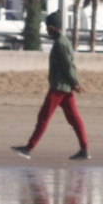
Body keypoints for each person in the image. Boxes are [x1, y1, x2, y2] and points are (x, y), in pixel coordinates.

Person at [11, 11, 89, 160]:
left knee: (43, 118)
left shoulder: (61, 43)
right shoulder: (61, 41)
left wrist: (76, 84)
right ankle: (84, 150)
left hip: (59, 88)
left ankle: (28, 149)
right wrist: (73, 84)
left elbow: (68, 66)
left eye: (48, 26)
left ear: (54, 27)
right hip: (64, 88)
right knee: (74, 119)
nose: (46, 29)